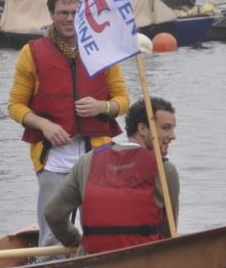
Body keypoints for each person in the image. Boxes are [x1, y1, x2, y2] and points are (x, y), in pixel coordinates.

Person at [7, 0, 130, 259]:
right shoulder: (32, 53)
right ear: (51, 14)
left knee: (98, 228)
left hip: (96, 156)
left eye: (75, 12)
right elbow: (14, 106)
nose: (69, 18)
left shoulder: (104, 51)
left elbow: (123, 101)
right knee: (51, 234)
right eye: (63, 12)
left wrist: (102, 106)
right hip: (52, 158)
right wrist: (45, 126)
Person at [44, 98, 179, 254]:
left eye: (172, 129)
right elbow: (169, 235)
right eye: (166, 128)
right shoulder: (164, 170)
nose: (173, 136)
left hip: (92, 263)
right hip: (143, 265)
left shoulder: (87, 161)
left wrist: (74, 240)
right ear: (142, 128)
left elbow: (53, 214)